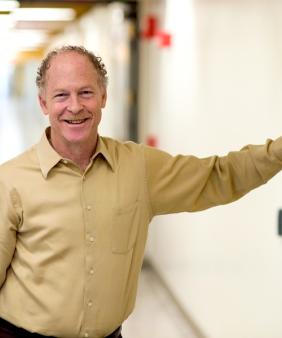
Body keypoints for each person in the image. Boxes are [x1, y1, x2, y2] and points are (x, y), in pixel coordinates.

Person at [0, 45, 282, 338]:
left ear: (103, 97)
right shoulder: (11, 181)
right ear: (43, 103)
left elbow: (218, 176)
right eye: (61, 95)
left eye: (86, 92)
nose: (74, 106)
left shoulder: (140, 168)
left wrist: (278, 151)